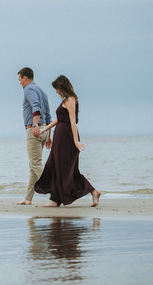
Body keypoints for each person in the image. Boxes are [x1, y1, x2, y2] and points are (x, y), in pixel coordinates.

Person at [34, 75, 101, 207]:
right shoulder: (65, 100)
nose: (56, 92)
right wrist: (44, 129)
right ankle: (56, 199)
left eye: (57, 88)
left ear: (62, 86)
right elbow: (59, 118)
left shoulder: (71, 100)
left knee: (66, 169)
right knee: (55, 166)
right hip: (60, 137)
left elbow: (72, 122)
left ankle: (92, 191)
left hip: (67, 138)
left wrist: (75, 141)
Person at [16, 67, 52, 205]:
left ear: (25, 78)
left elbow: (35, 107)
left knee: (35, 164)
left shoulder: (29, 89)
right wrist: (48, 134)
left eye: (20, 80)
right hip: (44, 129)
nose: (20, 83)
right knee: (33, 165)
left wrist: (35, 126)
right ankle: (28, 198)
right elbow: (48, 113)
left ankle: (55, 190)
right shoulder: (42, 91)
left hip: (35, 129)